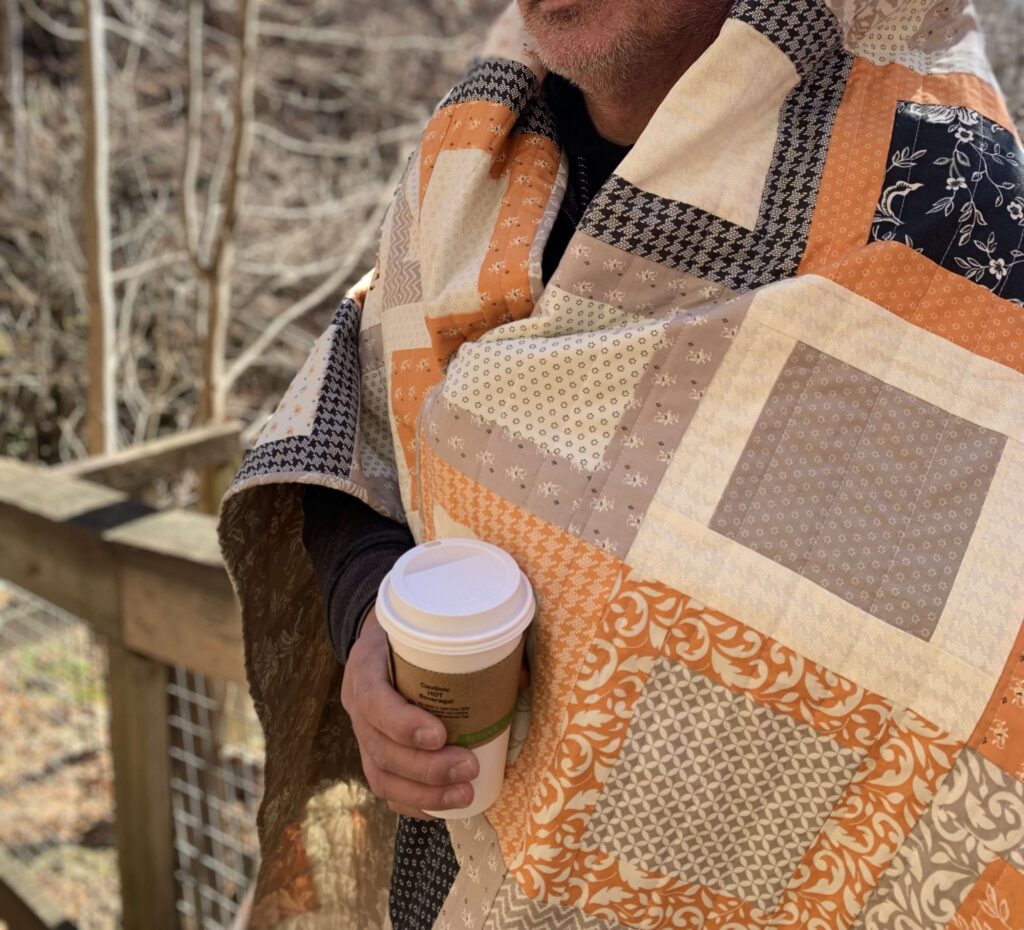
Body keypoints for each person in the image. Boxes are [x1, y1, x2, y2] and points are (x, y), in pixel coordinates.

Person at [219, 0, 1024, 928]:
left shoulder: (941, 201)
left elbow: (976, 702)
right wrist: (368, 608)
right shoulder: (471, 153)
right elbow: (354, 423)